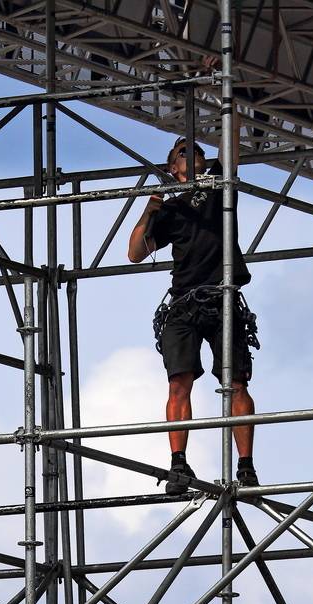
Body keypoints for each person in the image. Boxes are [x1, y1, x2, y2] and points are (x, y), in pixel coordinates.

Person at [127, 135, 260, 496]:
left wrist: (228, 107)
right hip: (184, 301)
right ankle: (178, 463)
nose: (192, 153)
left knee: (236, 382)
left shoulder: (218, 185)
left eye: (197, 150)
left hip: (223, 297)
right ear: (173, 167)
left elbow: (232, 145)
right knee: (178, 382)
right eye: (183, 152)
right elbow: (135, 252)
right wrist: (150, 208)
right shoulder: (170, 209)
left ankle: (246, 466)